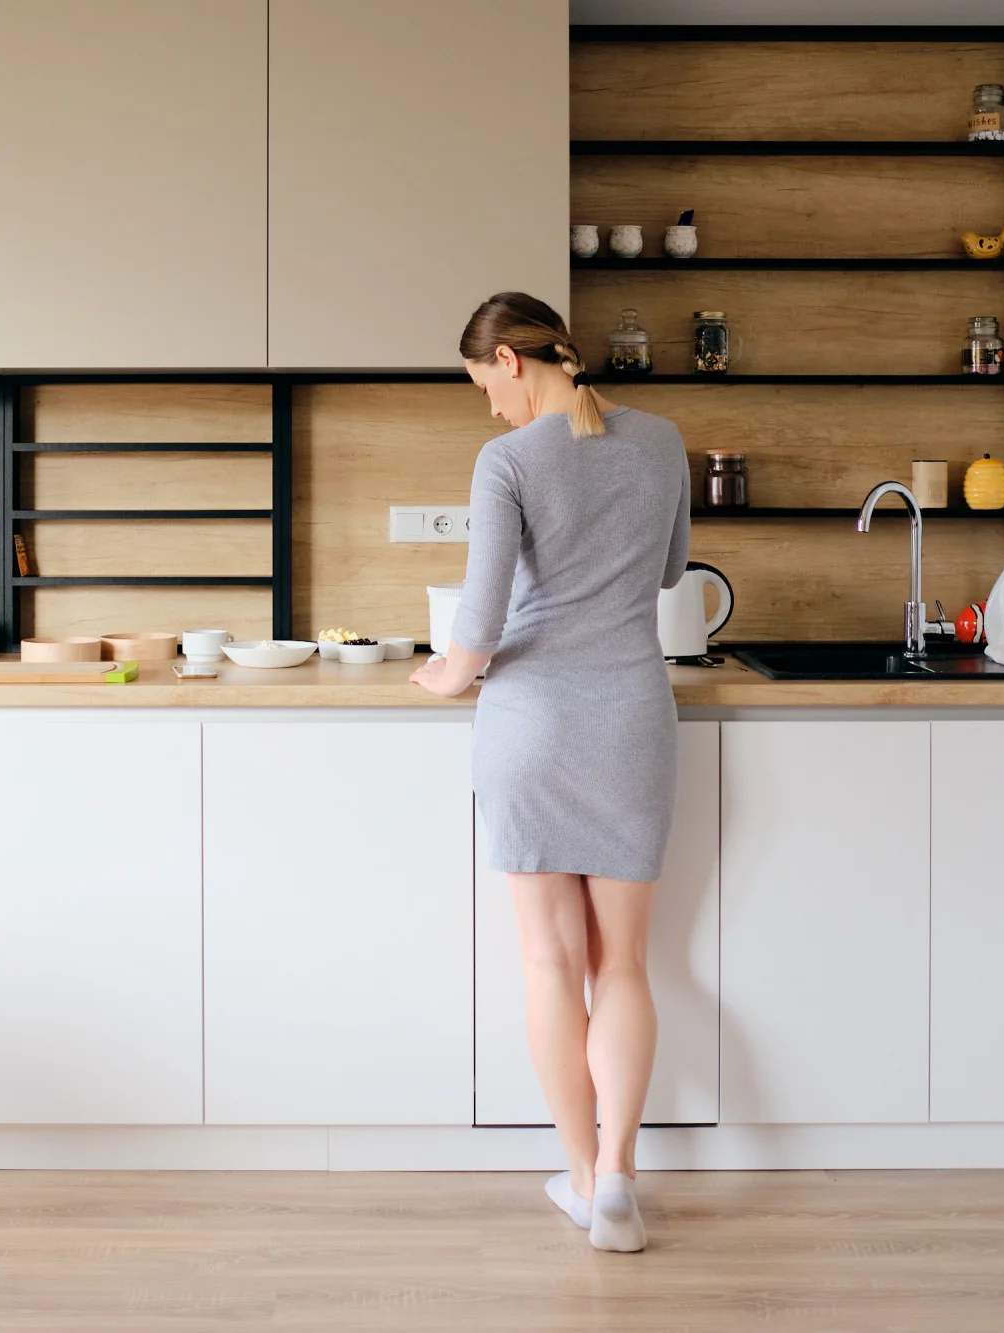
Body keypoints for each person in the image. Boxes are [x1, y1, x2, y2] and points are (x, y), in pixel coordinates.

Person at [411, 292, 690, 1253]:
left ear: (510, 359)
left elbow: (480, 621)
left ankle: (578, 1177)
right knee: (625, 965)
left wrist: (447, 674)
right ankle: (618, 1177)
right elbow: (670, 570)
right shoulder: (662, 440)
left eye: (483, 384)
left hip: (530, 725)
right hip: (632, 721)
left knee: (550, 962)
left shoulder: (508, 461)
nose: (490, 406)